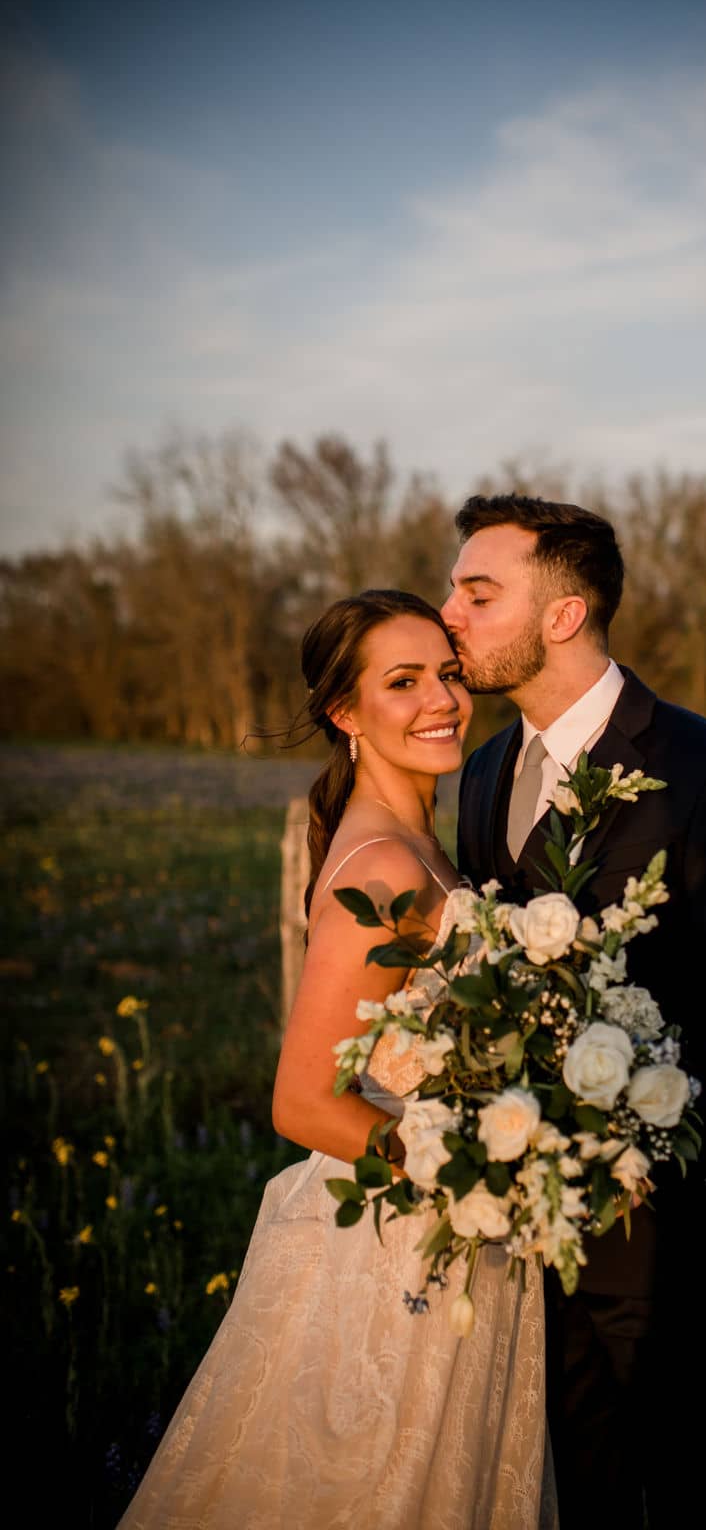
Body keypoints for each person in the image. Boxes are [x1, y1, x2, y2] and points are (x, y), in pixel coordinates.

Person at [120, 590, 557, 1530]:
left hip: (462, 1230)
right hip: (400, 1242)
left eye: (446, 672)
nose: (441, 698)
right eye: (403, 682)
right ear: (345, 713)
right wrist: (466, 1171)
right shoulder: (380, 870)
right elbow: (302, 1105)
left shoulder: (425, 848)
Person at [443, 496, 706, 1529]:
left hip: (679, 1215)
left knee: (689, 1483)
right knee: (579, 1480)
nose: (450, 614)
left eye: (477, 593)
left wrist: (633, 1152)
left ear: (562, 615)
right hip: (533, 1214)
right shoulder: (482, 774)